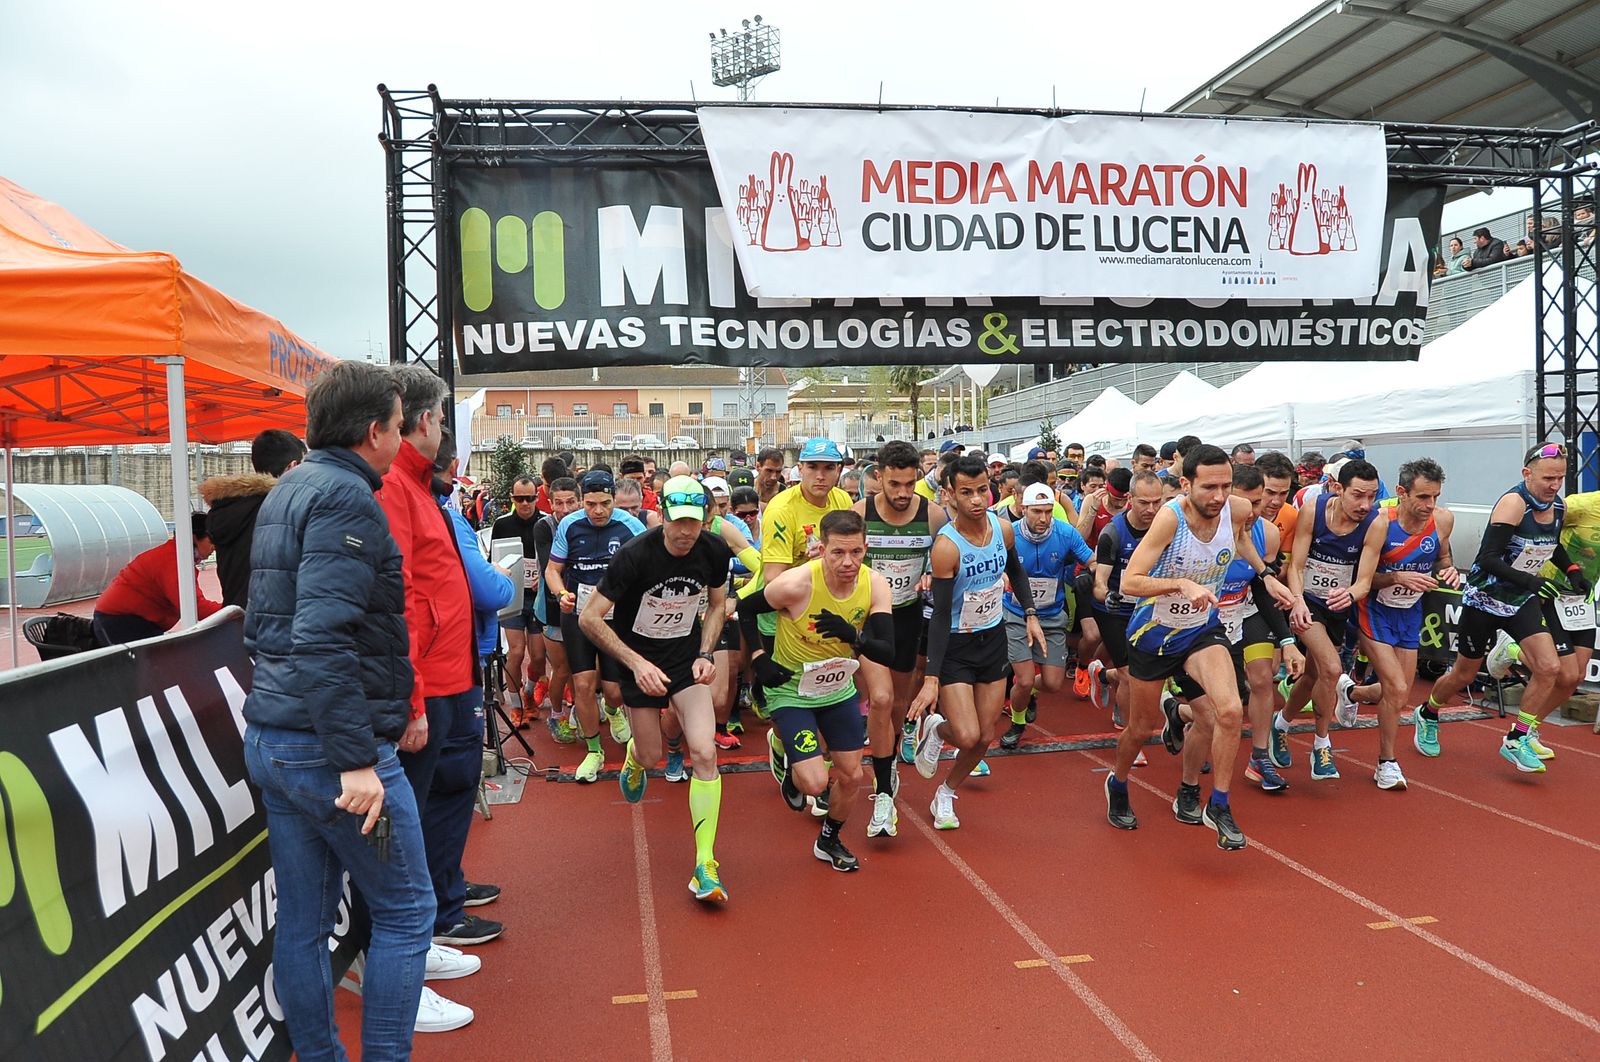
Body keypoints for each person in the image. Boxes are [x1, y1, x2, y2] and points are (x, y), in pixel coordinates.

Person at [242, 361, 446, 1055]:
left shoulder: (292, 486)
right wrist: (357, 760)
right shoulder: (345, 499)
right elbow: (321, 635)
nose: (408, 434)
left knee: (303, 922)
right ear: (374, 432)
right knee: (407, 908)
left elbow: (271, 623)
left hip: (280, 737)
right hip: (329, 752)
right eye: (398, 423)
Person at [377, 366, 497, 953]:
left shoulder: (419, 487)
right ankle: (418, 932)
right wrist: (414, 695)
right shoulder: (394, 488)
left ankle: (442, 904)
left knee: (450, 791)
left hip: (451, 674)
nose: (442, 430)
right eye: (440, 419)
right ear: (421, 421)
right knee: (417, 811)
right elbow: (397, 598)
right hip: (430, 682)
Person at [1104, 444, 1267, 851]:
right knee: (1139, 729)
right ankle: (1118, 782)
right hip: (1154, 635)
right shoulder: (1169, 519)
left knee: (1226, 711)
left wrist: (1268, 576)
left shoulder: (1239, 509)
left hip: (1199, 631)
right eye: (1209, 487)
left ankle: (1216, 801)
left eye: (1226, 486)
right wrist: (1182, 584)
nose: (1219, 496)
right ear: (1185, 484)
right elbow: (1130, 582)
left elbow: (1243, 542)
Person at [583, 477, 734, 901]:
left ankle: (705, 864)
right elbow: (590, 618)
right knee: (651, 756)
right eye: (678, 522)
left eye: (694, 522)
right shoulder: (634, 556)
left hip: (686, 662)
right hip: (639, 662)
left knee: (704, 751)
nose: (686, 532)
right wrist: (635, 663)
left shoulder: (714, 550)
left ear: (706, 519)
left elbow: (720, 603)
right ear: (662, 516)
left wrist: (706, 650)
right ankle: (635, 756)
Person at [741, 509, 896, 870]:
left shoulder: (874, 585)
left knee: (853, 775)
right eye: (838, 553)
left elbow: (887, 651)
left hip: (838, 689)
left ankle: (829, 839)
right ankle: (784, 751)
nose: (848, 562)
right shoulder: (796, 584)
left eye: (856, 553)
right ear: (821, 549)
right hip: (792, 690)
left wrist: (852, 635)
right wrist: (760, 657)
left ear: (866, 548)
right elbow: (745, 609)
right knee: (813, 784)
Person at [1418, 443, 1585, 772]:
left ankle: (1517, 737)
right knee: (1464, 673)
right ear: (1527, 474)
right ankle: (1428, 712)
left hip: (1519, 602)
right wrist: (1531, 581)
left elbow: (1551, 548)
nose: (1554, 485)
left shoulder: (1559, 507)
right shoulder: (1513, 504)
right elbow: (1488, 559)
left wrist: (1573, 571)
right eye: (1548, 478)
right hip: (1484, 600)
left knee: (1549, 668)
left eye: (1560, 478)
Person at [910, 455, 1043, 830]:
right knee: (966, 734)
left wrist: (1030, 614)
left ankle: (946, 792)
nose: (976, 500)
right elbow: (938, 614)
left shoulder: (1003, 530)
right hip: (955, 644)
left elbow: (1015, 570)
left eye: (982, 489)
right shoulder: (947, 548)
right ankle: (938, 729)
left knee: (985, 735)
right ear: (949, 494)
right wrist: (932, 676)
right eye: (966, 492)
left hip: (993, 639)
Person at [426, 428, 516, 948]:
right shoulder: (439, 512)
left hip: (446, 662)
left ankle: (446, 892)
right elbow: (486, 588)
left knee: (449, 784)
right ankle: (441, 910)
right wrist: (502, 579)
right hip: (448, 666)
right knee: (450, 783)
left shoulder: (431, 507)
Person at [1344, 459, 1459, 789]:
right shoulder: (1379, 523)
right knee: (1395, 687)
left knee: (1399, 691)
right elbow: (1362, 578)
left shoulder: (1443, 520)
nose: (1430, 505)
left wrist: (1448, 570)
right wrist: (1395, 576)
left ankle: (1350, 692)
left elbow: (1443, 557)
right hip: (1374, 610)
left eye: (1435, 496)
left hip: (1410, 612)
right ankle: (1386, 762)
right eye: (1423, 497)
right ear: (1401, 493)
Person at [853, 440, 946, 838]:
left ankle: (886, 761)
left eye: (910, 484)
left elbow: (947, 561)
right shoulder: (860, 514)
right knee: (879, 699)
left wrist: (931, 573)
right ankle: (883, 782)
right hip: (871, 617)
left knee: (898, 705)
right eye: (895, 484)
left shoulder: (933, 516)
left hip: (907, 616)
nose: (904, 493)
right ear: (879, 476)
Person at [547, 470, 647, 782]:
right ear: (582, 500)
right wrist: (560, 593)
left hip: (616, 618)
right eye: (590, 504)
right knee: (583, 686)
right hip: (578, 615)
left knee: (615, 691)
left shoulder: (631, 526)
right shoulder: (569, 525)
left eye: (604, 503)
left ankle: (615, 711)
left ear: (614, 500)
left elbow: (649, 567)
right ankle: (594, 750)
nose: (598, 511)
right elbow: (553, 569)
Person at [1001, 483, 1093, 748]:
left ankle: (1028, 693)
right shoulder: (1009, 534)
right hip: (1016, 613)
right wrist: (1003, 575)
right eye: (1036, 511)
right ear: (1023, 509)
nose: (1043, 518)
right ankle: (1018, 723)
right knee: (1025, 676)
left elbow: (1091, 559)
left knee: (1052, 683)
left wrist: (1088, 572)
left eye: (1048, 511)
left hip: (1052, 615)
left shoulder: (1065, 533)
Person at [1091, 471, 1165, 731]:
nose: (1152, 509)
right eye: (1144, 502)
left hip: (1148, 609)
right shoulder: (1113, 533)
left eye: (1157, 502)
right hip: (1114, 610)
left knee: (1147, 673)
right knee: (1128, 675)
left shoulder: (1167, 527)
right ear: (1130, 499)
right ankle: (1127, 729)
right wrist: (1109, 596)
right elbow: (1099, 583)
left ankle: (1102, 674)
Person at [202, 428, 306, 608]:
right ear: (292, 467)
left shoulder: (227, 508)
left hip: (236, 619)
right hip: (274, 621)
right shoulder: (283, 509)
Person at [92, 512, 223, 644]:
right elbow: (196, 607)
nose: (215, 547)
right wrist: (232, 609)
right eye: (212, 540)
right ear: (194, 538)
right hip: (120, 622)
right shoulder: (174, 562)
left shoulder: (176, 556)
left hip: (131, 619)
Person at [492, 475, 549, 726]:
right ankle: (516, 707)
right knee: (516, 652)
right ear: (512, 499)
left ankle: (529, 693)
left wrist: (545, 578)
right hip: (513, 597)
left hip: (538, 599)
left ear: (537, 498)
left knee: (538, 656)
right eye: (519, 499)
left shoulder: (547, 523)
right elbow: (493, 560)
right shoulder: (502, 524)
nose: (525, 503)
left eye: (529, 498)